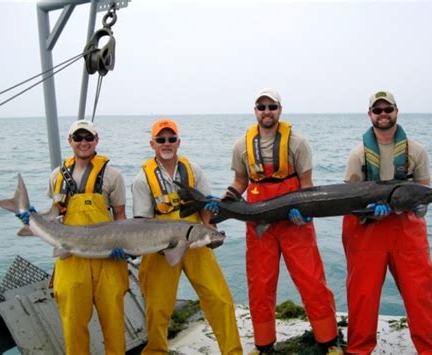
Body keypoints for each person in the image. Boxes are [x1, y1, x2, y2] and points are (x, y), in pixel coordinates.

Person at [206, 89, 342, 354]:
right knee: (260, 284)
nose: (266, 111)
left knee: (312, 281)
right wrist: (223, 201)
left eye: (272, 106)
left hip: (295, 222)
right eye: (261, 106)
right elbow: (240, 181)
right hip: (258, 222)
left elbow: (307, 186)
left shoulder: (297, 143)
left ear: (280, 110)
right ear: (255, 110)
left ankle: (328, 341)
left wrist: (305, 213)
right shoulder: (241, 145)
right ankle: (263, 344)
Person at [342, 91, 432, 354]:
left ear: (397, 111)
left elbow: (424, 193)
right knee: (362, 297)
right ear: (370, 115)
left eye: (388, 109)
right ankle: (358, 350)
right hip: (368, 232)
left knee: (421, 295)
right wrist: (367, 212)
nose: (383, 114)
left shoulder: (416, 151)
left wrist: (420, 208)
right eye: (378, 110)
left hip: (407, 231)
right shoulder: (358, 154)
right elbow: (347, 200)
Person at [131, 118, 243, 355]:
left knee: (219, 298)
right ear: (152, 144)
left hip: (195, 239)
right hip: (159, 246)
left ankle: (232, 351)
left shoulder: (194, 170)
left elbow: (205, 210)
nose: (167, 143)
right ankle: (156, 352)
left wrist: (210, 231)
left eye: (171, 139)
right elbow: (141, 224)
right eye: (161, 139)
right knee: (158, 308)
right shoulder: (142, 179)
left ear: (179, 142)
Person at [18, 119, 129, 354]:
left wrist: (125, 245)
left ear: (96, 140)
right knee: (72, 325)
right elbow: (55, 214)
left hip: (107, 258)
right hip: (70, 259)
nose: (83, 142)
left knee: (115, 325)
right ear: (70, 141)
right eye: (78, 138)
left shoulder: (113, 175)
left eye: (88, 137)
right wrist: (33, 220)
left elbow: (120, 216)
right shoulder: (56, 175)